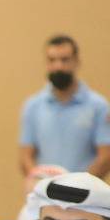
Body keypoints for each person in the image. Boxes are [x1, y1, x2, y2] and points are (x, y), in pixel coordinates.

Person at [19, 34, 110, 180]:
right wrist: (42, 184)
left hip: (85, 191)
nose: (58, 66)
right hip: (45, 191)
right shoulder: (33, 106)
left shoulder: (98, 106)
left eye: (64, 60)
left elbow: (105, 157)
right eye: (52, 60)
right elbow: (25, 157)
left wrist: (76, 186)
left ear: (77, 62)